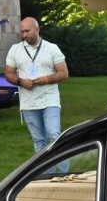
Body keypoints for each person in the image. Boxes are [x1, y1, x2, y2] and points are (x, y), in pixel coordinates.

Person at [4, 17, 69, 157]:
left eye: (27, 31)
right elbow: (9, 74)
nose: (24, 35)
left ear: (37, 29)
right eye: (22, 32)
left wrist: (46, 79)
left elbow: (63, 73)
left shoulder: (52, 48)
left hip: (49, 100)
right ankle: (46, 174)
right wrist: (20, 81)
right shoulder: (15, 50)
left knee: (54, 135)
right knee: (38, 140)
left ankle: (64, 173)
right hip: (28, 103)